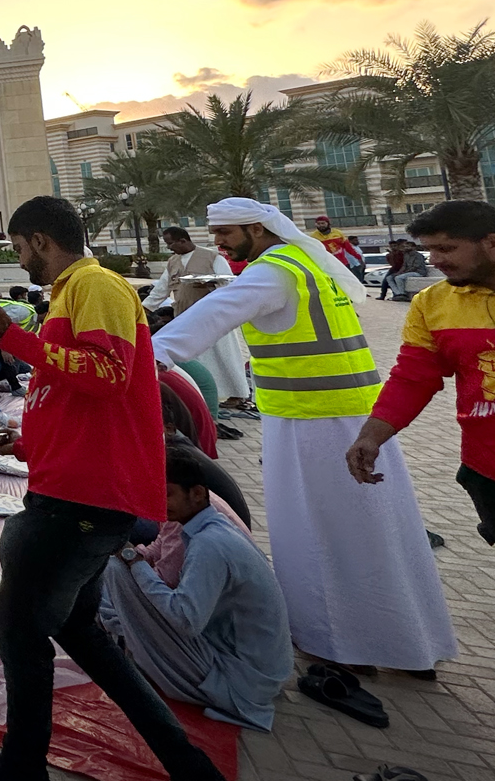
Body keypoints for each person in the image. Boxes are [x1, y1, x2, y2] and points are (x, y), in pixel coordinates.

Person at [0, 195, 229, 781]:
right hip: (77, 489)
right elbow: (77, 395)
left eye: (18, 247)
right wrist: (23, 444)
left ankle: (22, 765)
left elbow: (106, 374)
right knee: (83, 634)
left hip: (78, 501)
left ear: (40, 241)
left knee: (19, 628)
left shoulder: (95, 286)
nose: (18, 257)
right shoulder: (72, 294)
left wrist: (13, 338)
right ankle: (185, 761)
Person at [156, 197, 456, 675]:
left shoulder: (272, 272)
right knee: (380, 533)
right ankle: (406, 643)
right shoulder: (308, 263)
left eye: (227, 234)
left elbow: (210, 315)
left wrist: (147, 360)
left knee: (314, 535)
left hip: (311, 423)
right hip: (357, 419)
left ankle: (338, 645)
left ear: (256, 229)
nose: (218, 243)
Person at [100, 452, 292, 731]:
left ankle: (117, 638)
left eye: (167, 494)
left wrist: (133, 562)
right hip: (250, 667)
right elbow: (155, 549)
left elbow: (184, 619)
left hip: (239, 680)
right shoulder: (199, 521)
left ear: (198, 494)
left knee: (117, 572)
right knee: (119, 566)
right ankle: (119, 634)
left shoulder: (209, 544)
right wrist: (133, 555)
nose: (159, 502)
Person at [348, 199, 495, 545]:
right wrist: (370, 436)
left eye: (446, 248)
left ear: (491, 242)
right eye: (429, 249)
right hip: (485, 466)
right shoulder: (430, 303)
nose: (436, 260)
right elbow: (413, 378)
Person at [143, 226, 252, 410]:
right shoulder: (173, 262)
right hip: (185, 318)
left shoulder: (212, 257)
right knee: (199, 360)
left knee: (225, 356)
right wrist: (143, 309)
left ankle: (238, 394)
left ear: (183, 241)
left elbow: (229, 283)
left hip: (215, 317)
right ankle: (206, 394)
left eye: (171, 243)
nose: (170, 248)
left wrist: (211, 284)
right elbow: (162, 289)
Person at [309, 215, 368, 282]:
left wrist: (359, 258)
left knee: (347, 282)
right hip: (327, 265)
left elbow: (348, 248)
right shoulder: (313, 236)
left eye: (323, 223)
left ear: (328, 223)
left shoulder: (338, 233)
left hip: (342, 263)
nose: (321, 225)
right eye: (318, 224)